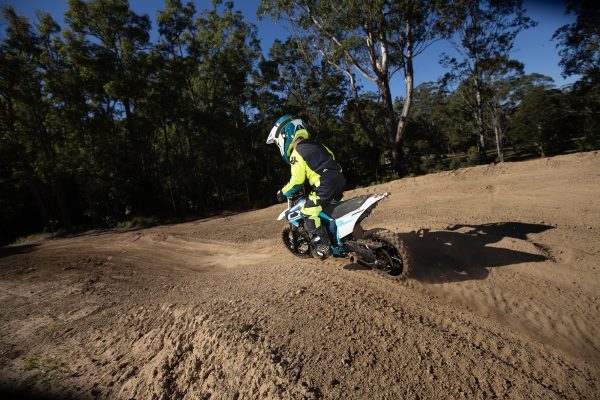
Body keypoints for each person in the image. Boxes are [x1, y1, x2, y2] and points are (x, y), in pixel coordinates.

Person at [266, 114, 346, 259]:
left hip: (324, 185)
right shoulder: (318, 144)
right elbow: (332, 157)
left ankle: (323, 247)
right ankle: (342, 236)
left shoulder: (296, 154)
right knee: (331, 209)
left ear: (284, 136)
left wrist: (283, 192)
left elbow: (296, 181)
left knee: (308, 212)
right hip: (339, 179)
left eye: (278, 144)